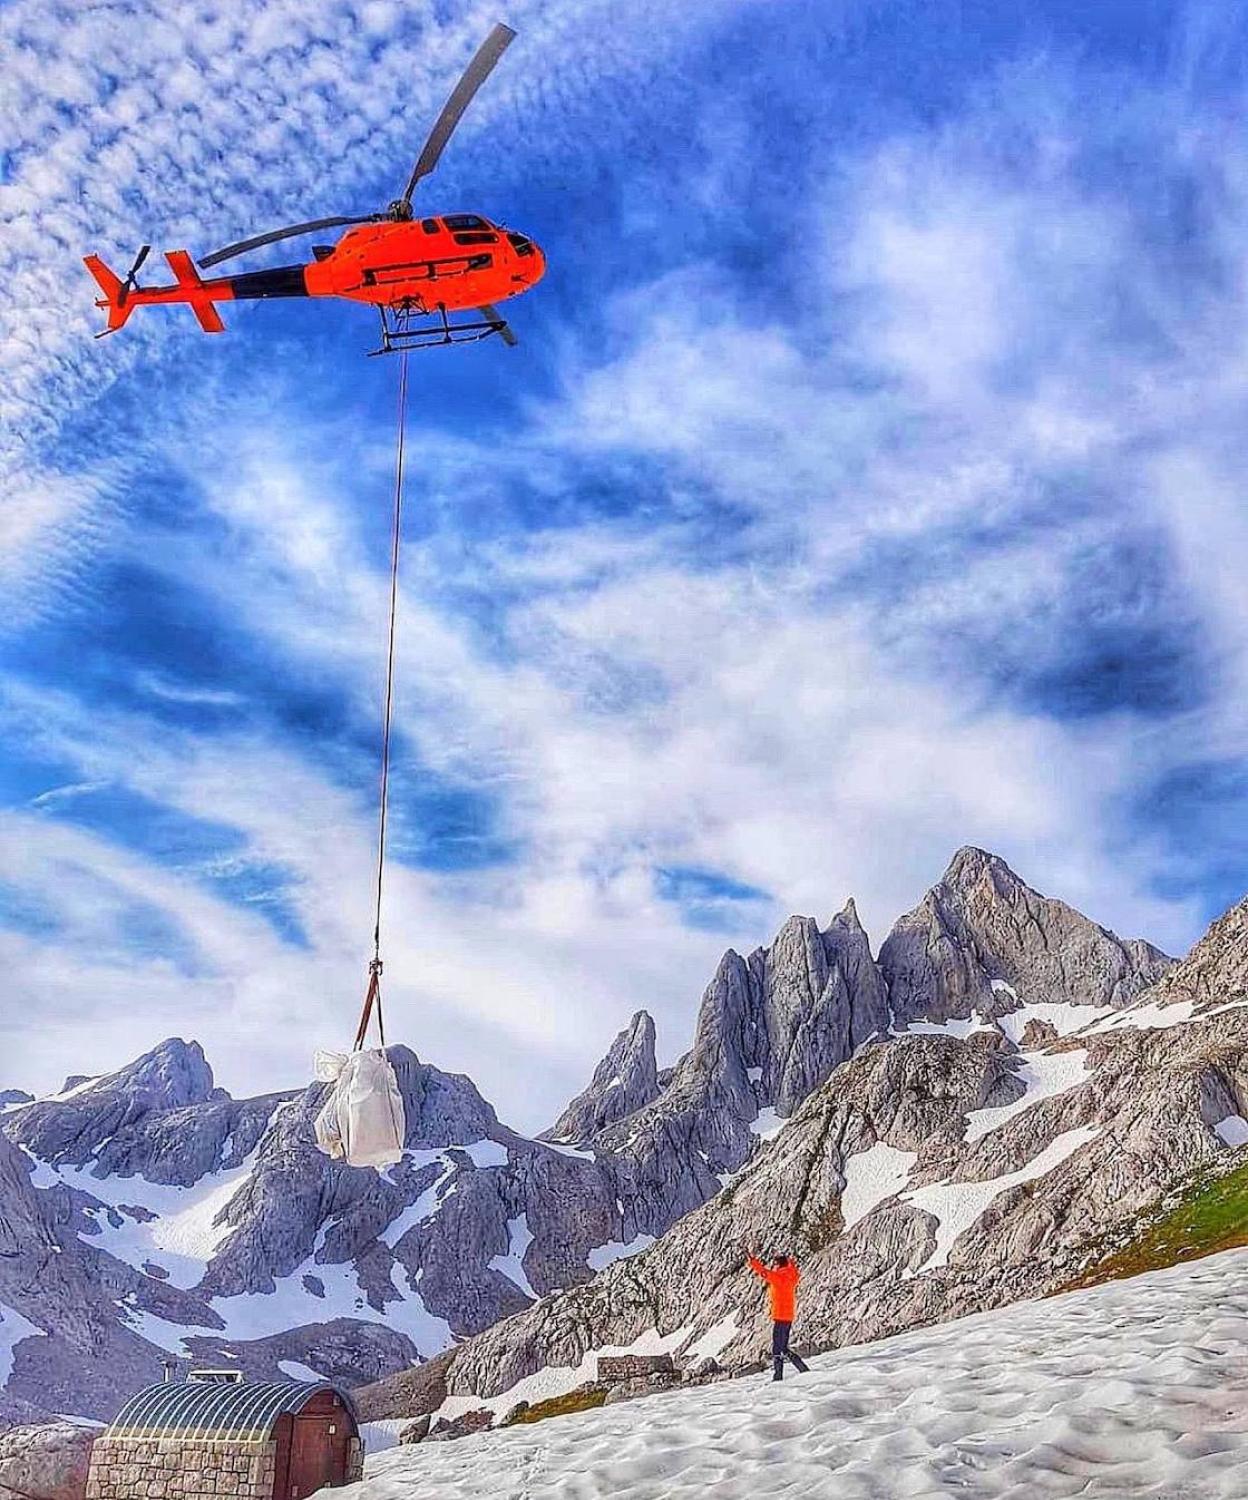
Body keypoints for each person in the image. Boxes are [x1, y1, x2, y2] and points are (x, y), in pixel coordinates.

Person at [746, 1249, 809, 1381]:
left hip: (780, 1316)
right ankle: (802, 1368)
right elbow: (792, 1268)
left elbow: (763, 1272)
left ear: (778, 1265)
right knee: (783, 1347)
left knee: (777, 1349)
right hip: (788, 1316)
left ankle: (778, 1375)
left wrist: (752, 1261)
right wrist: (789, 1261)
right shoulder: (792, 1276)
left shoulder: (778, 1277)